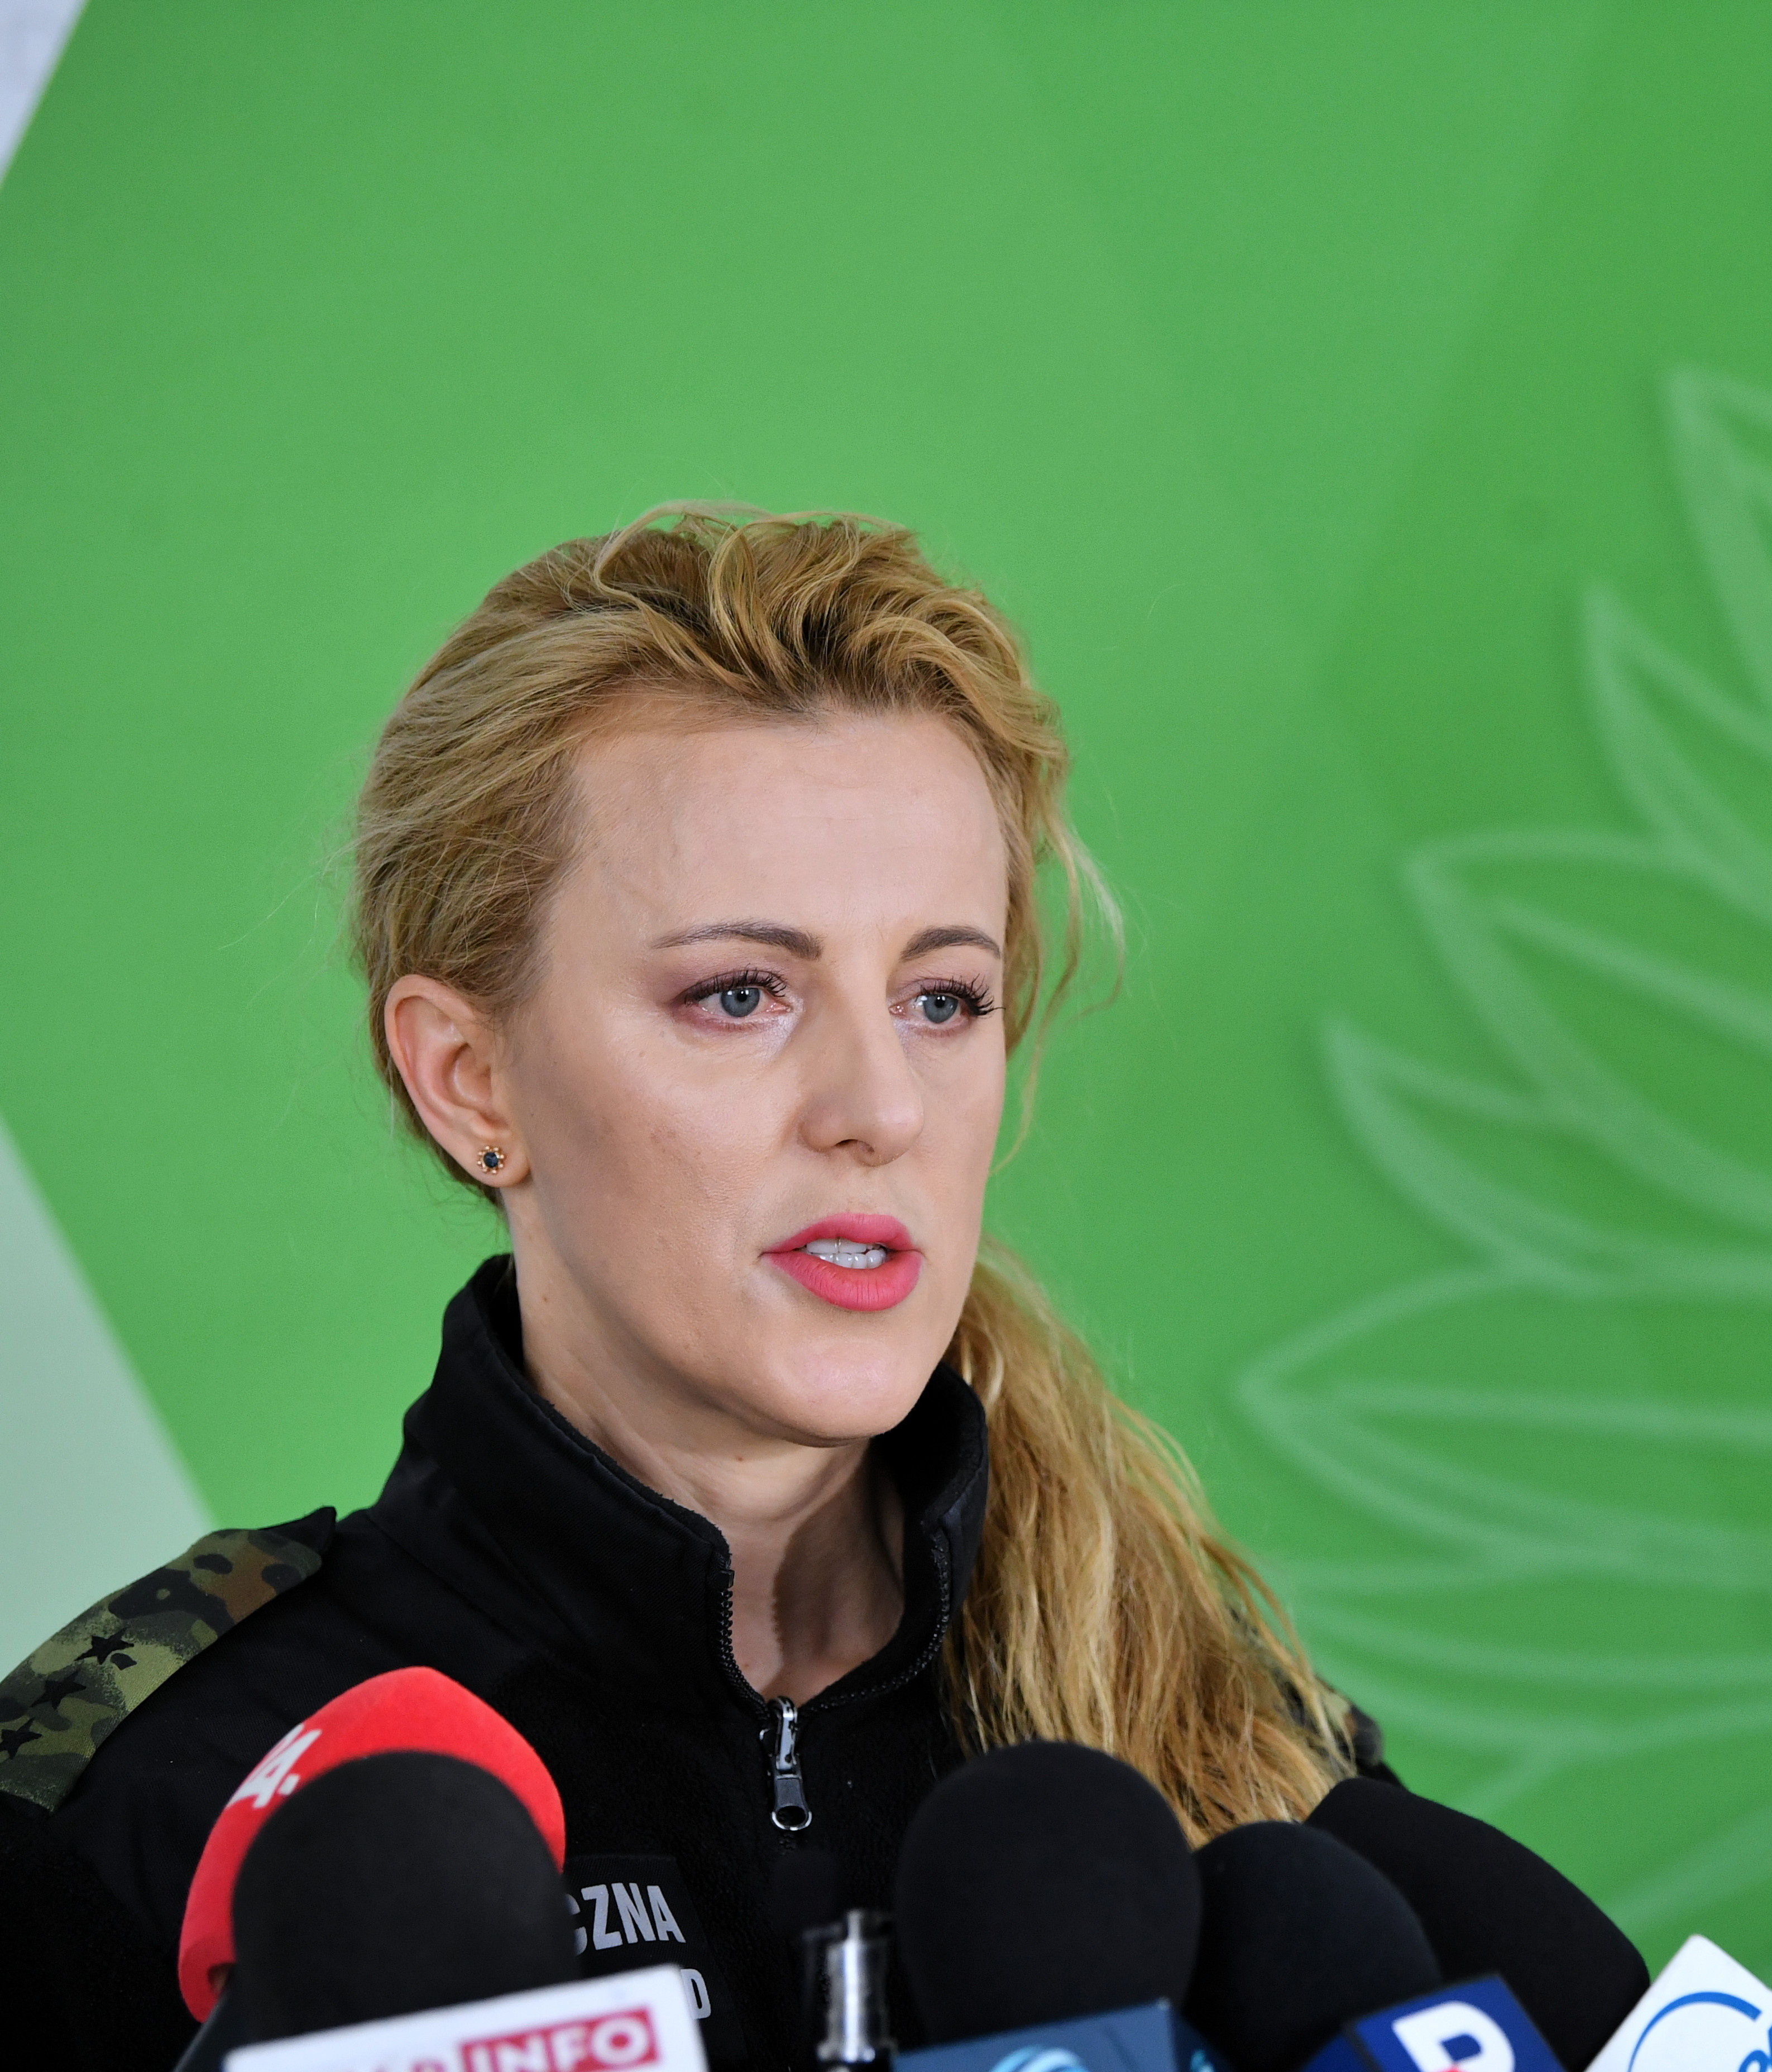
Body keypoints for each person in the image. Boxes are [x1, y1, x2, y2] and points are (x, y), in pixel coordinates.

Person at [0, 510, 1626, 2071]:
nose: (879, 1105)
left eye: (942, 996)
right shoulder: (154, 1790)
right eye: (740, 993)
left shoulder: (1243, 1762)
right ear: (468, 1078)